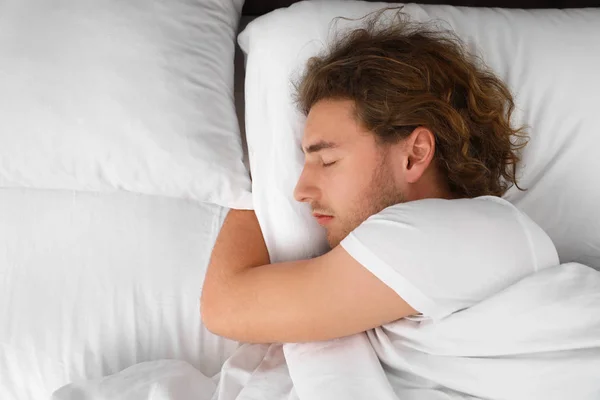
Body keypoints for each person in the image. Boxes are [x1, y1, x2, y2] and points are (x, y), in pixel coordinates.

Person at [200, 12, 558, 344]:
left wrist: (261, 174)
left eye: (327, 161)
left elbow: (226, 305)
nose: (299, 191)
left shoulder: (460, 232)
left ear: (414, 154)